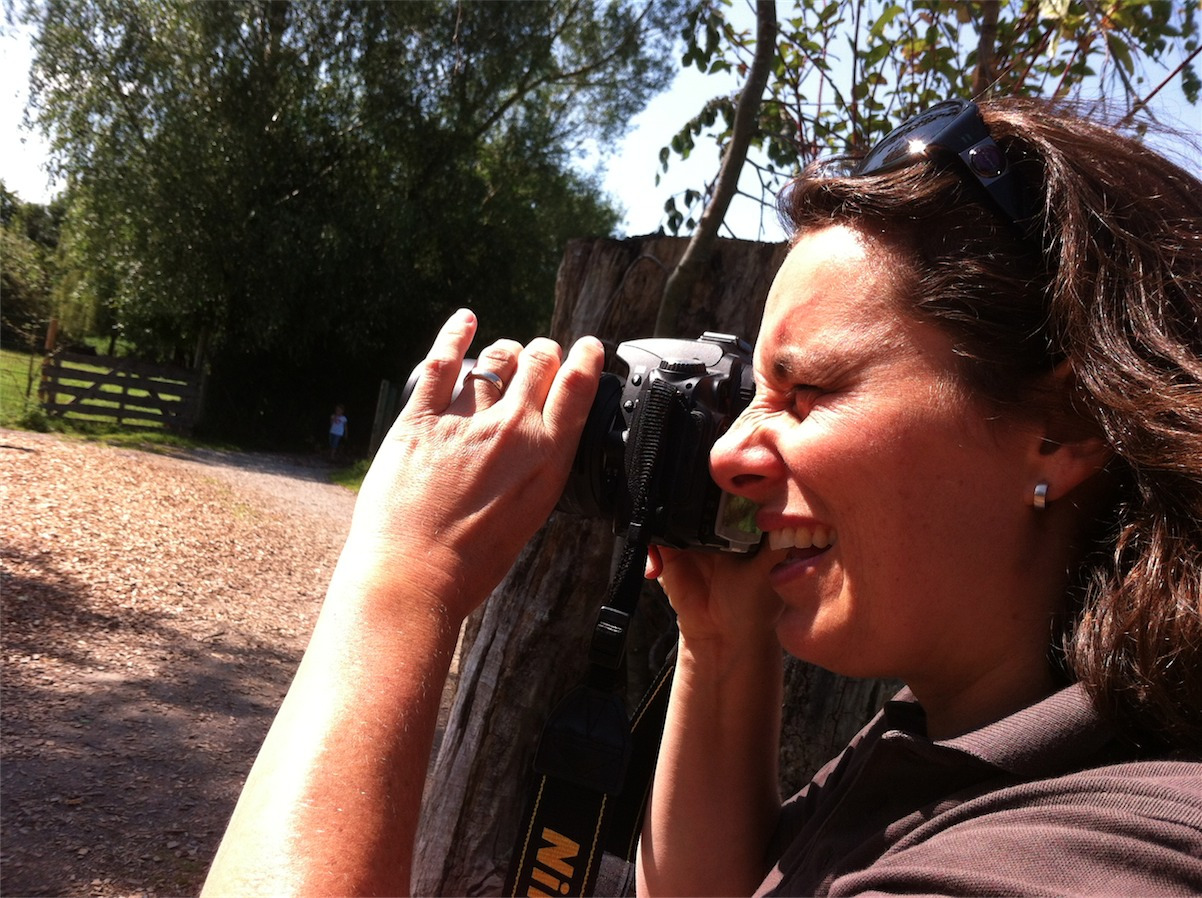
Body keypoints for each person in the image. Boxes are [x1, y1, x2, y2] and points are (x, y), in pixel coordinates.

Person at [202, 97, 1202, 897]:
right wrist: (724, 643)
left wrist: (398, 579)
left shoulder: (1089, 860)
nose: (728, 453)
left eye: (804, 390)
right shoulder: (962, 739)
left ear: (1061, 427)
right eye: (744, 397)